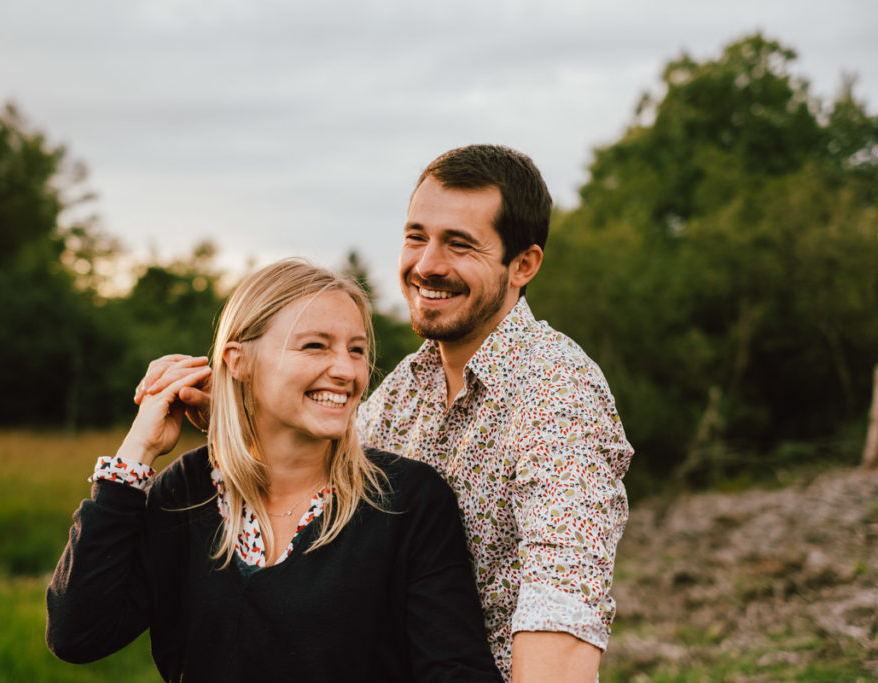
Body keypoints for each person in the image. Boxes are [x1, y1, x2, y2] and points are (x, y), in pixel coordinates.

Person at [138, 145, 634, 682]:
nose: (426, 265)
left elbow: (562, 604)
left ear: (523, 265)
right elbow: (327, 463)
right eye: (417, 236)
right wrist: (238, 405)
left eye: (459, 245)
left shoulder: (558, 394)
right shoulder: (405, 388)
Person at [46, 259, 503, 682]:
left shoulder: (406, 500)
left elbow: (456, 672)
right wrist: (135, 454)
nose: (346, 370)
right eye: (315, 346)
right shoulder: (187, 493)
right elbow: (78, 635)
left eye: (357, 350)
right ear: (238, 361)